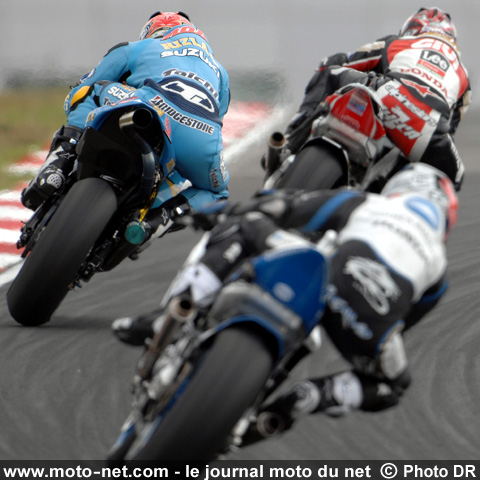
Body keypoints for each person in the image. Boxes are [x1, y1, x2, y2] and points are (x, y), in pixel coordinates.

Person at [112, 162, 458, 439]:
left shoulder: (370, 203)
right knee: (393, 385)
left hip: (326, 274)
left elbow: (283, 206)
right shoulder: (439, 267)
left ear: (399, 190)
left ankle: (177, 309)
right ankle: (307, 397)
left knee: (245, 222)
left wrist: (221, 212)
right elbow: (402, 324)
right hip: (366, 323)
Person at [21, 11, 230, 221]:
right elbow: (218, 117)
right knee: (217, 193)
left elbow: (82, 88)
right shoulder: (220, 72)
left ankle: (59, 163)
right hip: (201, 140)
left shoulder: (141, 47)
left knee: (92, 90)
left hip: (150, 109)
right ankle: (156, 219)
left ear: (152, 33)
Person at [280, 7, 470, 191]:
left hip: (388, 93)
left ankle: (291, 140)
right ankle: (382, 195)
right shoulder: (464, 77)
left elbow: (340, 61)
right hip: (428, 128)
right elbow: (449, 130)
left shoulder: (397, 42)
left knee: (328, 71)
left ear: (412, 28)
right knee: (452, 178)